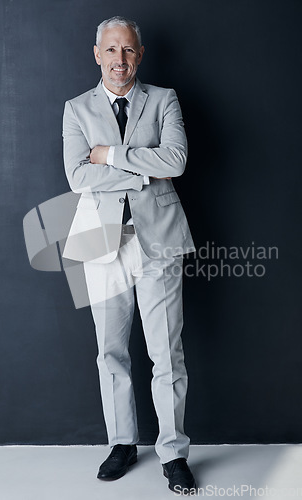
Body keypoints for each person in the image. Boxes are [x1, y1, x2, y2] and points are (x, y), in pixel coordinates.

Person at [62, 16, 196, 493]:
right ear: (97, 54)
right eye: (111, 51)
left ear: (140, 54)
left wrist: (113, 156)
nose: (121, 60)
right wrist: (144, 169)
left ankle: (173, 453)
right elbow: (78, 178)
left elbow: (176, 160)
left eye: (129, 51)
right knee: (110, 352)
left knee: (167, 354)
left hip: (159, 238)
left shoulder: (164, 99)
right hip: (100, 242)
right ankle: (122, 443)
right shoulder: (76, 109)